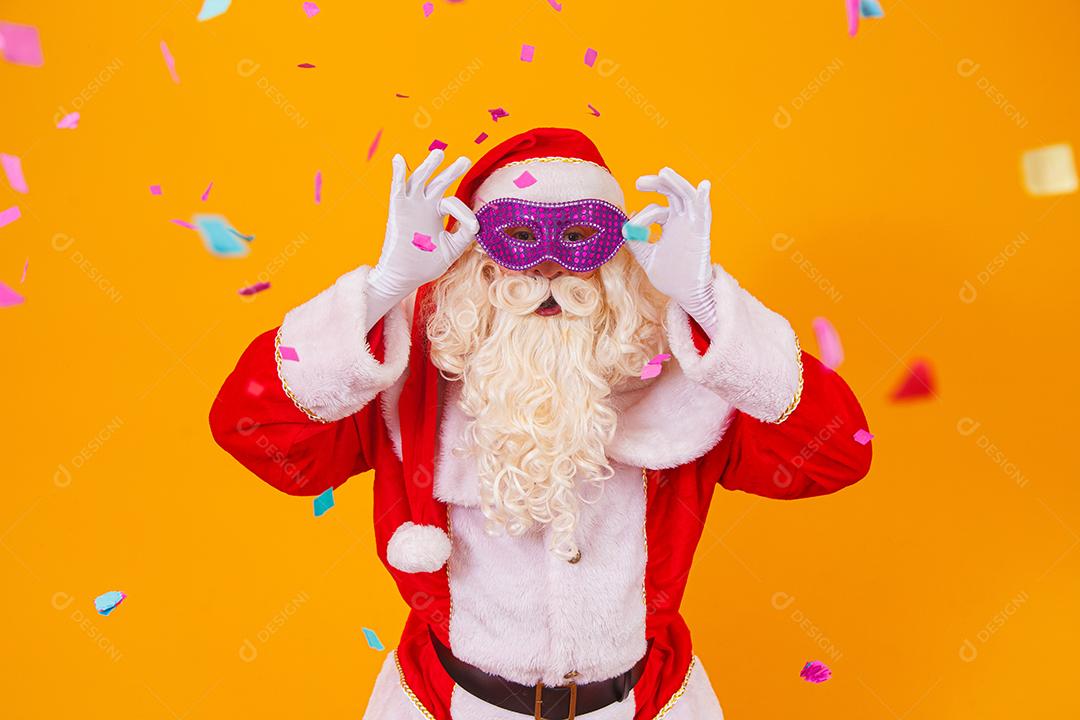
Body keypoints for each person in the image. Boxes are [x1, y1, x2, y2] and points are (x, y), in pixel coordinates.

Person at [210, 127, 872, 719]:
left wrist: (706, 302)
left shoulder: (688, 378)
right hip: (451, 705)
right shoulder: (406, 379)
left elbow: (836, 454)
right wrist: (381, 289)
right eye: (522, 240)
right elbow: (251, 429)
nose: (550, 270)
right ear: (477, 263)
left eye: (580, 239)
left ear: (619, 261)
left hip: (643, 703)